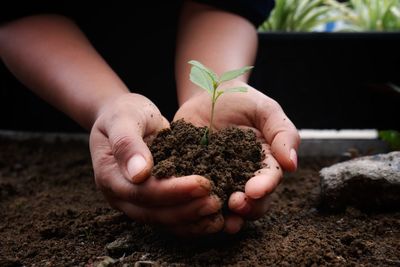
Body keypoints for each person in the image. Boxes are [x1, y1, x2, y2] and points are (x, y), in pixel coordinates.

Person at [0, 1, 300, 236]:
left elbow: (225, 3)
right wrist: (108, 105)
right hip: (51, 92)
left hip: (194, 67)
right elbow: (20, 11)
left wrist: (219, 87)